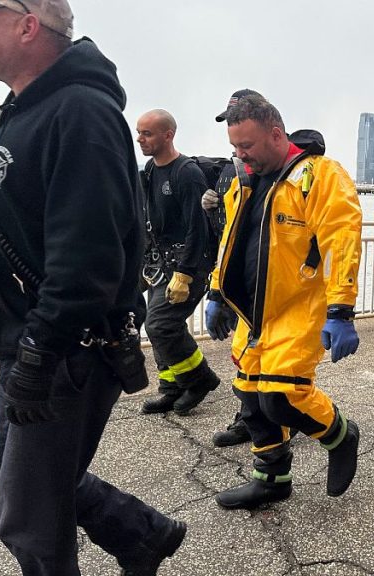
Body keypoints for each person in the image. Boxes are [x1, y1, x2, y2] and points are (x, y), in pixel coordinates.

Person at [0, 0, 186, 573]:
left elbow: (89, 259)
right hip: (33, 342)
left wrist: (37, 352)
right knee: (14, 478)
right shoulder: (34, 106)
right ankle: (141, 534)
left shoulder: (80, 110)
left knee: (29, 520)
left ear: (28, 26)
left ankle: (141, 537)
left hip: (62, 349)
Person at [206, 95, 362, 509]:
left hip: (299, 308)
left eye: (247, 147)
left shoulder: (318, 176)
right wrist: (216, 292)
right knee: (251, 399)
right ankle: (272, 479)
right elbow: (230, 242)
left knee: (281, 397)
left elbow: (340, 240)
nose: (241, 155)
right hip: (254, 314)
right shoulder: (246, 181)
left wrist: (341, 310)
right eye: (235, 148)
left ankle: (341, 435)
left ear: (276, 134)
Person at [136, 109, 221, 416]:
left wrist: (185, 274)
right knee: (157, 324)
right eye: (139, 132)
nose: (140, 139)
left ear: (168, 135)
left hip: (188, 265)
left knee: (161, 324)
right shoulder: (149, 169)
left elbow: (198, 226)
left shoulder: (186, 173)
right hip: (161, 265)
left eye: (147, 133)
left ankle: (199, 380)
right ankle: (171, 387)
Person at [201, 90, 263, 448]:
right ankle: (252, 415)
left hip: (263, 280)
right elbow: (224, 236)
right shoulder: (228, 170)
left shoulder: (271, 172)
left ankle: (284, 415)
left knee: (272, 361)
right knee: (243, 355)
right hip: (233, 275)